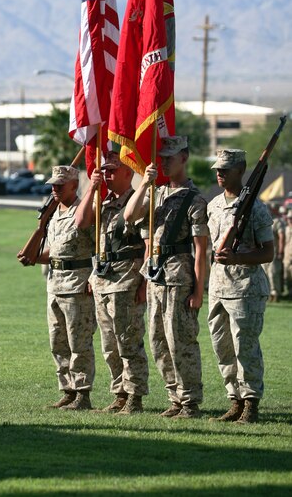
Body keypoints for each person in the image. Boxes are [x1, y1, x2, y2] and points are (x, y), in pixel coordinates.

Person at [124, 135, 208, 419]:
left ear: (184, 158)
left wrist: (198, 291)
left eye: (169, 158)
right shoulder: (156, 193)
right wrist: (145, 184)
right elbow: (129, 215)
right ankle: (174, 397)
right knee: (158, 341)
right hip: (156, 278)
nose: (164, 163)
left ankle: (190, 401)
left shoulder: (194, 199)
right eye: (162, 158)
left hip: (179, 280)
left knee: (180, 341)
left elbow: (200, 250)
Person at [75, 152, 148, 414]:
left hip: (127, 280)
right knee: (109, 346)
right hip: (103, 281)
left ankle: (134, 397)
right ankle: (119, 394)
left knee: (129, 342)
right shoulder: (103, 201)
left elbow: (148, 244)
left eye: (112, 170)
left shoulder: (137, 202)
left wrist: (144, 283)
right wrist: (92, 187)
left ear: (128, 173)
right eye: (104, 170)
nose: (107, 174)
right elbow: (81, 222)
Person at [207, 149, 274, 424]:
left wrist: (237, 258)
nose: (220, 173)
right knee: (222, 347)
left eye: (226, 169)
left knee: (244, 347)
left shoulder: (257, 208)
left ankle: (250, 404)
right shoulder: (213, 205)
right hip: (218, 287)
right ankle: (234, 399)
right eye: (218, 169)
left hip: (245, 288)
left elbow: (267, 253)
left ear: (241, 170)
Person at [39, 165, 96, 410]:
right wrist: (33, 255)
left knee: (79, 342)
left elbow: (99, 247)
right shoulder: (52, 213)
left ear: (74, 185)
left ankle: (83, 393)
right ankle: (68, 390)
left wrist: (94, 276)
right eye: (52, 185)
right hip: (54, 283)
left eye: (60, 185)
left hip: (77, 284)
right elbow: (55, 249)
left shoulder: (84, 211)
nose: (54, 189)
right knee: (57, 341)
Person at [263, 204, 286, 302]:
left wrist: (281, 251)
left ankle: (275, 293)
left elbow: (281, 237)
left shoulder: (277, 222)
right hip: (263, 253)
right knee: (265, 273)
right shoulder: (264, 220)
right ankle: (268, 294)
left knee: (273, 273)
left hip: (274, 252)